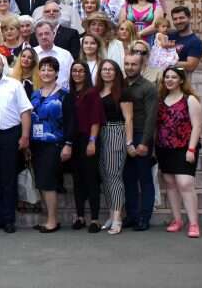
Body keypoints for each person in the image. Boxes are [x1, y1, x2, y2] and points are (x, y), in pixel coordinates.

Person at [0, 51, 32, 233]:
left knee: (9, 178)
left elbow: (25, 111)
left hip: (10, 135)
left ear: (3, 66)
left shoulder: (15, 85)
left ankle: (9, 219)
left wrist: (25, 136)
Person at [28, 57, 75, 233]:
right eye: (43, 69)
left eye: (50, 69)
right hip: (36, 144)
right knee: (41, 182)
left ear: (56, 73)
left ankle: (52, 221)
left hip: (54, 144)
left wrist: (68, 144)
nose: (46, 73)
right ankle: (48, 218)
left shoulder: (64, 95)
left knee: (48, 183)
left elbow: (71, 122)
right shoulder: (35, 93)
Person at [157, 66, 202, 238]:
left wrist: (191, 149)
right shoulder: (161, 99)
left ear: (181, 80)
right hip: (164, 148)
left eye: (173, 77)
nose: (169, 80)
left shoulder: (190, 99)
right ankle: (177, 220)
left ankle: (193, 223)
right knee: (170, 183)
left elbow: (197, 126)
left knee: (185, 184)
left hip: (185, 148)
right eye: (167, 77)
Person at [121, 52, 157, 232]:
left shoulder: (148, 88)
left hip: (142, 135)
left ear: (141, 65)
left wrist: (144, 143)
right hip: (124, 136)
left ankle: (144, 218)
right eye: (127, 64)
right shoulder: (121, 85)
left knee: (144, 179)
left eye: (133, 64)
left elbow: (152, 117)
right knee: (128, 178)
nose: (129, 67)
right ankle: (132, 215)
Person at [95, 59, 132, 234]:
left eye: (111, 69)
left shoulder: (122, 92)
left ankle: (118, 218)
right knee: (104, 175)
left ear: (116, 72)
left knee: (114, 176)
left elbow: (129, 119)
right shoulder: (97, 91)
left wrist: (129, 142)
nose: (107, 72)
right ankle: (111, 213)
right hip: (99, 134)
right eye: (104, 69)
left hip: (116, 132)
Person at [67, 61, 104, 233]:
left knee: (91, 179)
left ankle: (95, 219)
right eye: (74, 71)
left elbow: (96, 119)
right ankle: (80, 216)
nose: (77, 74)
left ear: (86, 73)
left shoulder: (92, 92)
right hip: (74, 142)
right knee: (78, 180)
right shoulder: (71, 94)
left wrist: (92, 141)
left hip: (88, 140)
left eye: (81, 71)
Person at [168, 5, 202, 73]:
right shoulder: (169, 36)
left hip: (182, 81)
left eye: (181, 18)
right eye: (175, 19)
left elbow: (190, 66)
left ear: (189, 18)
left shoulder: (195, 42)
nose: (178, 21)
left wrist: (166, 63)